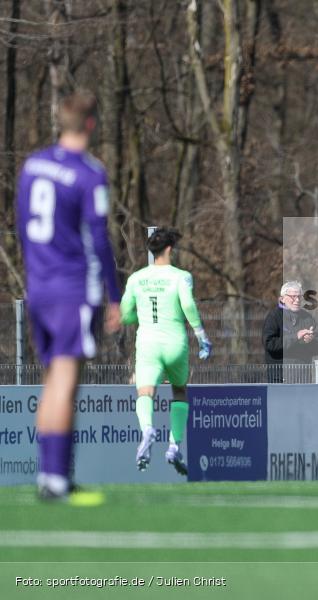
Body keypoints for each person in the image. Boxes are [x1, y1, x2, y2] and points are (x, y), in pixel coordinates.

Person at [16, 90, 122, 501]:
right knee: (64, 380)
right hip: (72, 289)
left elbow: (23, 223)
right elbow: (99, 237)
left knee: (51, 380)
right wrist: (114, 294)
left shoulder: (32, 165)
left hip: (40, 287)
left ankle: (49, 475)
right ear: (92, 124)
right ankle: (57, 480)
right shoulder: (89, 173)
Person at [119, 227, 211, 475]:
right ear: (169, 249)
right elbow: (188, 305)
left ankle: (147, 429)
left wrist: (140, 315)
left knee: (145, 392)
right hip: (175, 343)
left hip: (148, 343)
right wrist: (201, 335)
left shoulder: (136, 278)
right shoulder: (181, 276)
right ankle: (173, 446)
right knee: (179, 391)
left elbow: (125, 314)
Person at [262, 281, 318, 383]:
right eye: (293, 296)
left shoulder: (307, 318)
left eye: (299, 297)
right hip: (279, 380)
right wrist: (296, 336)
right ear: (282, 299)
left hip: (303, 380)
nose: (297, 300)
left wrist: (311, 341)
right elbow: (269, 345)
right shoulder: (274, 317)